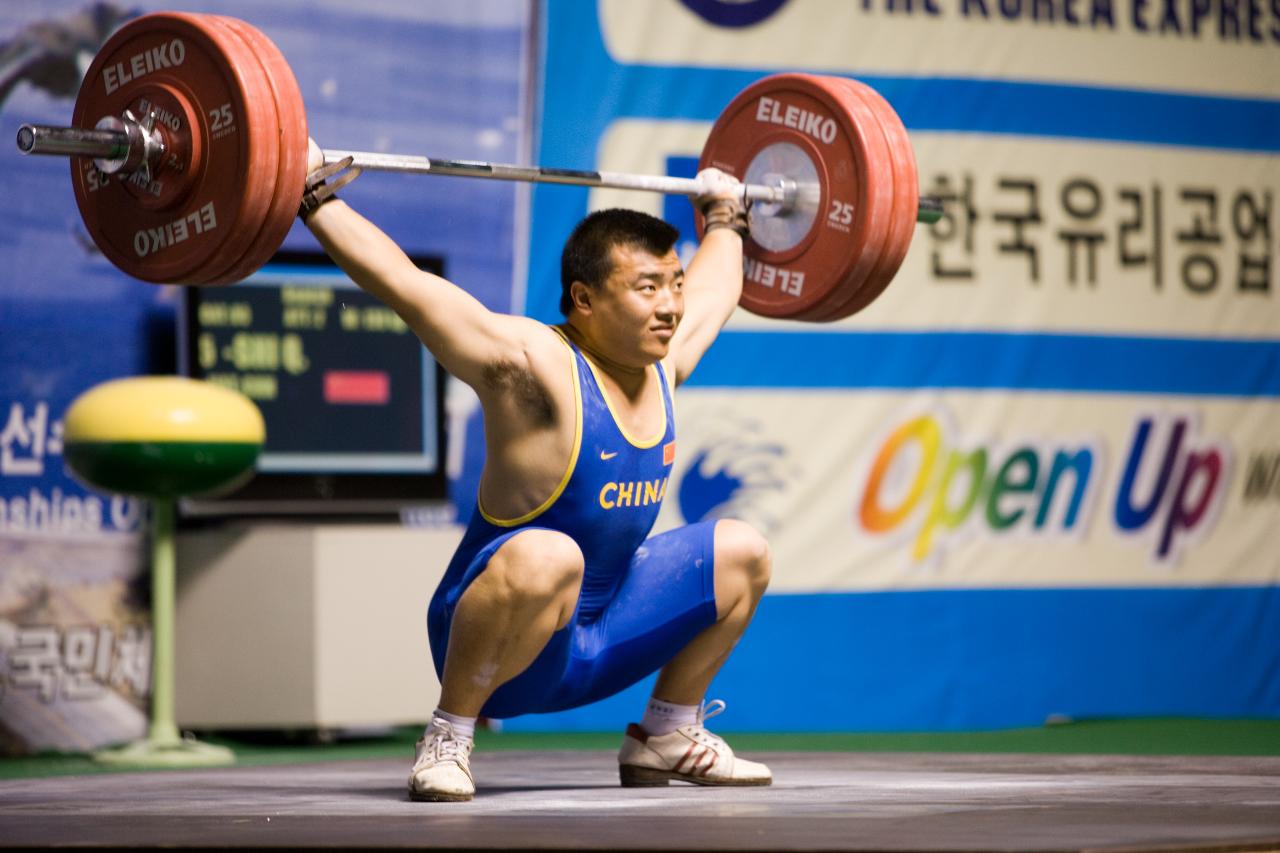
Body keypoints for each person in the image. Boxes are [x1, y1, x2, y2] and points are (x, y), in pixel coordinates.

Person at [300, 140, 772, 802]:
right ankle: (449, 734)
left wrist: (725, 216)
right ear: (583, 298)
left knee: (743, 550)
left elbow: (718, 289)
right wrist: (311, 196)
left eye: (674, 285)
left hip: (604, 633)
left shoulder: (663, 360)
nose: (669, 306)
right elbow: (406, 286)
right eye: (647, 288)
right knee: (553, 554)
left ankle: (666, 732)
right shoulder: (528, 364)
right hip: (506, 649)